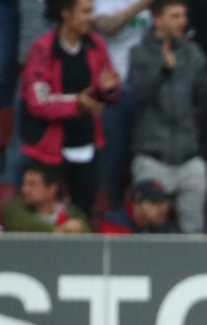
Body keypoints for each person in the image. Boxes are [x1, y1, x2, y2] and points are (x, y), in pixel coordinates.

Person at [129, 0, 207, 234]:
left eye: (184, 16)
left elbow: (205, 96)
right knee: (150, 223)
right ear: (157, 19)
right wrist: (163, 71)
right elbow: (138, 94)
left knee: (194, 227)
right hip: (153, 155)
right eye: (175, 16)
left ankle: (193, 266)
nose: (182, 21)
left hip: (188, 155)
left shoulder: (192, 53)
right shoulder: (139, 53)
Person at [21, 0, 121, 216]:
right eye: (84, 12)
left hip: (86, 142)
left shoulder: (96, 44)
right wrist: (77, 104)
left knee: (82, 212)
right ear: (66, 13)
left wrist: (108, 90)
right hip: (50, 148)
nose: (90, 17)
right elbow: (39, 103)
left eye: (91, 11)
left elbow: (104, 90)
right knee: (48, 213)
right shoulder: (42, 49)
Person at [92, 0, 151, 202]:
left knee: (142, 161)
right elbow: (105, 27)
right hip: (113, 92)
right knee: (112, 162)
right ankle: (109, 219)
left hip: (144, 91)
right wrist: (141, 6)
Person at [0, 162, 89, 232]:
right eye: (24, 183)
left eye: (32, 184)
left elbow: (86, 231)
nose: (25, 189)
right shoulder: (14, 207)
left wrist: (78, 228)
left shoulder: (72, 212)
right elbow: (23, 223)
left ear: (51, 189)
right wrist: (60, 230)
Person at [100, 178, 179, 233]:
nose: (163, 209)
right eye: (155, 203)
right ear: (137, 203)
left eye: (164, 203)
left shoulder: (166, 228)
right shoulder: (115, 224)